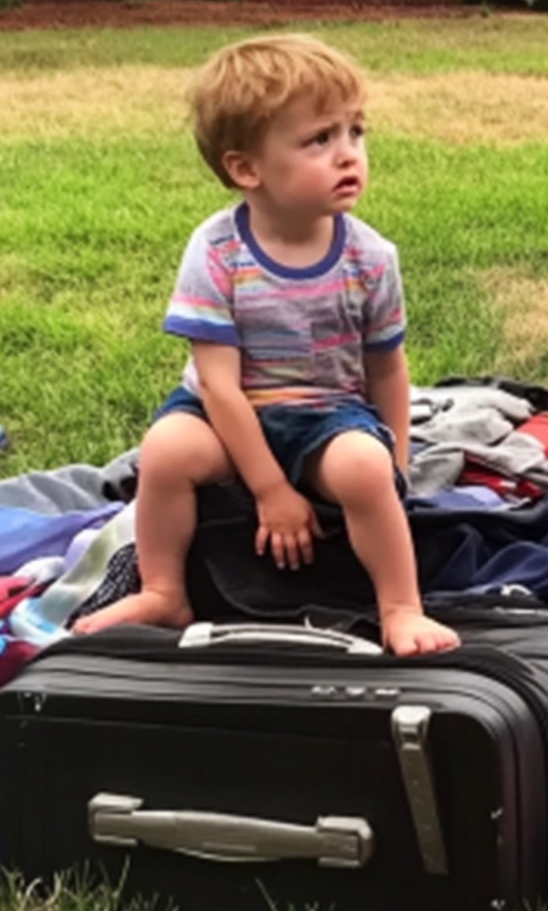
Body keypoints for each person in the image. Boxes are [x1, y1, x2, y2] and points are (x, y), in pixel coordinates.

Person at [74, 33, 460, 656]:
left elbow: (386, 369)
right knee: (166, 449)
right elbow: (219, 386)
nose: (347, 155)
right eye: (319, 139)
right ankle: (163, 589)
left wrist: (396, 464)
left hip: (324, 413)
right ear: (246, 168)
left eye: (355, 132)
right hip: (226, 415)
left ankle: (400, 606)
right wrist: (270, 491)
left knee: (364, 470)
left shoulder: (370, 257)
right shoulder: (218, 251)